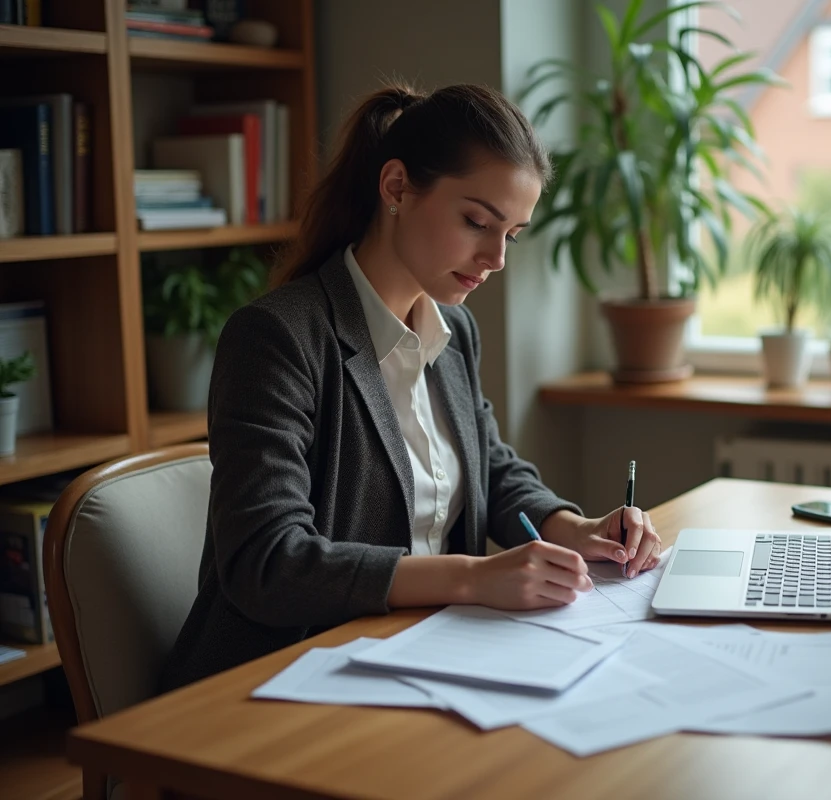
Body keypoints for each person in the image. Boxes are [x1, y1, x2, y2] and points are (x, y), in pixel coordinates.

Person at [160, 82, 662, 691]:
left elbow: (490, 467)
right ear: (396, 187)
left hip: (418, 653)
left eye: (512, 233)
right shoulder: (276, 337)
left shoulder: (453, 328)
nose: (497, 257)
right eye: (477, 221)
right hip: (281, 675)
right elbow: (266, 561)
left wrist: (573, 529)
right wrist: (473, 578)